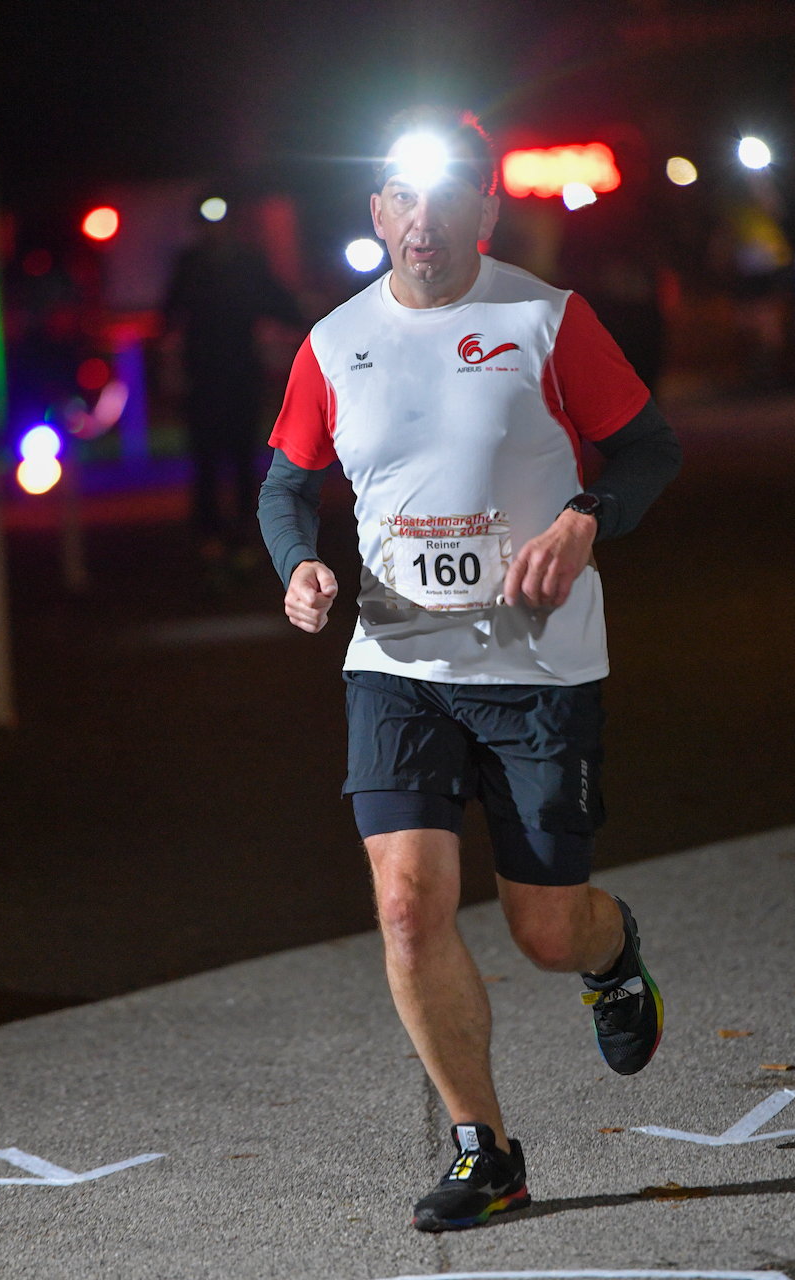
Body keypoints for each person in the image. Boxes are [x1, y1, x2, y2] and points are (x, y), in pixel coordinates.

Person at [258, 106, 681, 1232]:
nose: (425, 218)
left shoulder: (545, 320)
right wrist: (299, 565)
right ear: (377, 211)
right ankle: (482, 1147)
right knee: (405, 909)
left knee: (544, 928)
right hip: (394, 662)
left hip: (537, 666)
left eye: (450, 196)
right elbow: (284, 485)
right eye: (404, 195)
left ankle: (610, 948)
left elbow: (648, 445)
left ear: (485, 209)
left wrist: (587, 517)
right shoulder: (333, 341)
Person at [165, 195, 303, 571]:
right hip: (204, 376)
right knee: (206, 459)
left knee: (243, 458)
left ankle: (244, 536)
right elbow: (171, 313)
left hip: (240, 373)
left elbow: (279, 303)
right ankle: (209, 537)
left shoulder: (247, 263)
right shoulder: (190, 264)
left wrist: (314, 322)